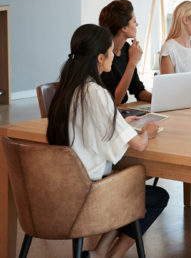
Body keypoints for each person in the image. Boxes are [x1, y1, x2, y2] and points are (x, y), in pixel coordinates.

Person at [46, 24, 169, 258]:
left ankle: (98, 253)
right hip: (90, 193)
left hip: (62, 186)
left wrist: (122, 124)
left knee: (128, 187)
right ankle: (112, 256)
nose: (114, 57)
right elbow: (139, 146)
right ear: (100, 57)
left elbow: (91, 126)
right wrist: (147, 132)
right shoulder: (97, 93)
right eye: (112, 52)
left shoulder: (66, 89)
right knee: (156, 196)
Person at [99, 0, 152, 104]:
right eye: (134, 21)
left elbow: (137, 89)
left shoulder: (126, 48)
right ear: (124, 27)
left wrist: (160, 99)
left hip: (122, 112)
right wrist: (132, 63)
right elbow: (115, 100)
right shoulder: (103, 55)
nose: (137, 24)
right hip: (111, 113)